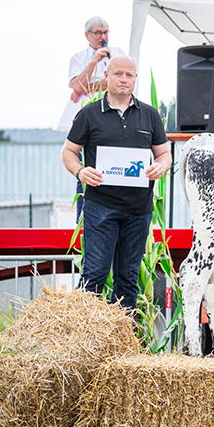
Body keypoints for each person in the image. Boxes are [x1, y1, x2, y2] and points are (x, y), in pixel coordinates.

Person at [60, 55, 171, 310]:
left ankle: (124, 334)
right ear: (107, 76)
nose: (123, 79)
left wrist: (161, 166)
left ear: (135, 79)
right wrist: (80, 171)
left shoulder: (150, 115)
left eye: (129, 75)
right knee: (94, 276)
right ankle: (86, 332)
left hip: (138, 210)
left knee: (128, 279)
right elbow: (68, 152)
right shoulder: (89, 114)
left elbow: (164, 154)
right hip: (100, 206)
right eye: (118, 74)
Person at [59, 17, 125, 220]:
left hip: (113, 122)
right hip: (87, 124)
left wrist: (85, 87)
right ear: (87, 35)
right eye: (98, 33)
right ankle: (83, 221)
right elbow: (77, 86)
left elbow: (120, 85)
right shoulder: (78, 58)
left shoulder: (118, 54)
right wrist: (94, 62)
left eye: (105, 32)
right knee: (85, 174)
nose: (102, 37)